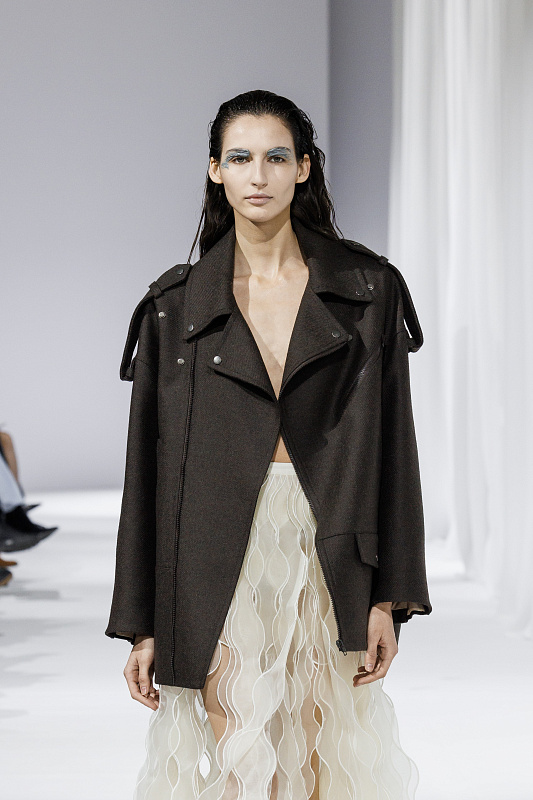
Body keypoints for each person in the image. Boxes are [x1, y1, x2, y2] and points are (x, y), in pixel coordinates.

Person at [106, 90, 432, 799]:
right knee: (241, 755)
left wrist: (391, 597)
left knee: (313, 756)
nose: (258, 175)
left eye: (276, 157)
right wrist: (139, 623)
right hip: (213, 548)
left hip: (326, 543)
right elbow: (147, 472)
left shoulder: (367, 290)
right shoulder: (174, 307)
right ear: (215, 170)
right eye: (240, 158)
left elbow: (393, 452)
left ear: (304, 168)